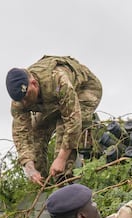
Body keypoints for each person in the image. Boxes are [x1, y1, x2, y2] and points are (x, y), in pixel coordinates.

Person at [6, 56, 103, 185]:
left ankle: (64, 181)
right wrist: (30, 169)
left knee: (63, 128)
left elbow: (73, 122)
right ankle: (43, 184)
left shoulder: (57, 79)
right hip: (51, 102)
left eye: (27, 96)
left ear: (34, 84)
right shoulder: (20, 100)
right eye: (20, 100)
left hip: (83, 89)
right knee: (36, 134)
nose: (25, 102)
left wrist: (61, 159)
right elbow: (21, 135)